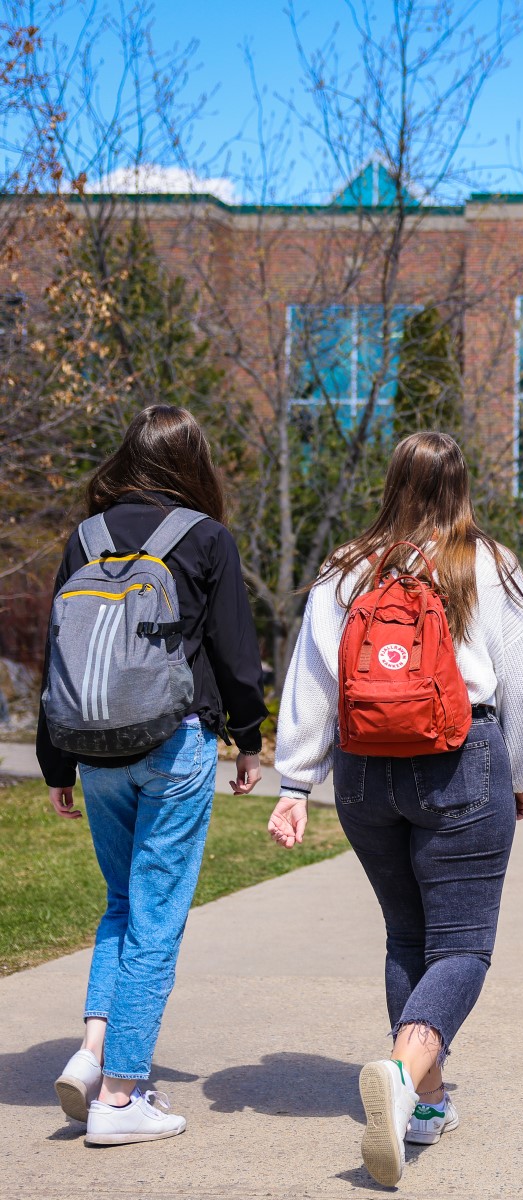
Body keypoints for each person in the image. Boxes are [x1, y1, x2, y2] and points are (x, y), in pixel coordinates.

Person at [268, 431, 523, 1188]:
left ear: (392, 482)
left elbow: (312, 682)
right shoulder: (487, 564)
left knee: (407, 935)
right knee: (462, 945)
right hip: (462, 763)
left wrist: (294, 783)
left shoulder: (345, 568)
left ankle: (424, 1103)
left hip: (364, 773)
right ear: (461, 486)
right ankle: (401, 1079)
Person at [38, 405, 266, 1145]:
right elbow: (236, 656)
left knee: (121, 904)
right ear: (191, 461)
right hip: (175, 745)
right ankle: (121, 1095)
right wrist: (249, 740)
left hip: (96, 749)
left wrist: (55, 761)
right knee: (157, 918)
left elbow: (59, 658)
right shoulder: (206, 537)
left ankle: (94, 1049)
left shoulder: (86, 536)